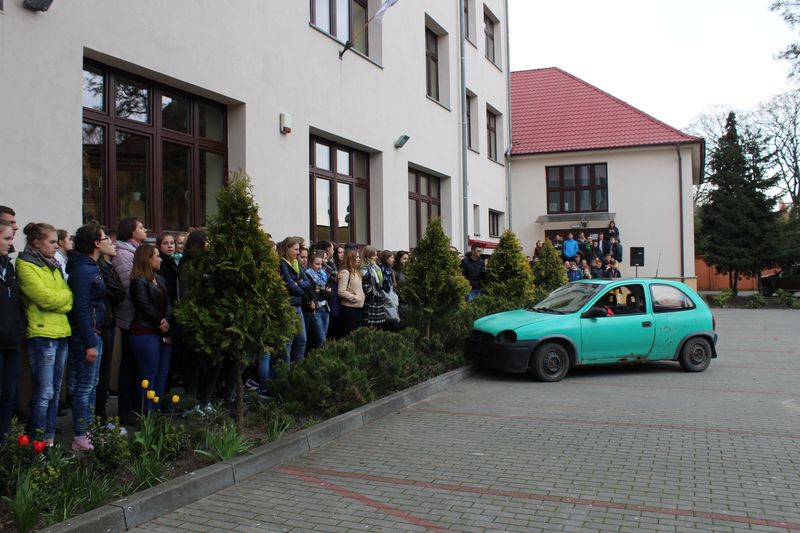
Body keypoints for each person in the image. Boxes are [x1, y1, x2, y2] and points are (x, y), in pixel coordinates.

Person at [16, 222, 73, 445]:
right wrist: (62, 300)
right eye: (52, 242)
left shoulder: (53, 264)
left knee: (55, 392)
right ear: (36, 243)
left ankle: (48, 441)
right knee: (45, 392)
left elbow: (68, 294)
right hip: (42, 335)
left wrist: (61, 300)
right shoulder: (25, 264)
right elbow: (45, 298)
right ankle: (36, 443)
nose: (56, 246)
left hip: (61, 332)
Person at [66, 224, 113, 450]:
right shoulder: (83, 271)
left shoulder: (91, 266)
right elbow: (82, 308)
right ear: (96, 244)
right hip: (86, 336)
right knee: (84, 386)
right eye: (105, 239)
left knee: (91, 385)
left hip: (95, 333)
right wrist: (90, 342)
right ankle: (80, 434)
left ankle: (90, 432)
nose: (108, 242)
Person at [112, 216, 147, 424]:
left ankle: (135, 405)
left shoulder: (135, 251)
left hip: (138, 316)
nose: (145, 230)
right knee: (128, 365)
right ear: (132, 232)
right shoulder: (124, 253)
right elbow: (130, 285)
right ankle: (125, 409)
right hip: (130, 316)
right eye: (141, 227)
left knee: (135, 364)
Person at [129, 244, 172, 414]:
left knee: (162, 373)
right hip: (145, 332)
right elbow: (144, 306)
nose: (160, 259)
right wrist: (161, 322)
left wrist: (167, 320)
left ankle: (157, 409)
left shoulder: (160, 279)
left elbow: (168, 303)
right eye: (157, 256)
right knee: (149, 373)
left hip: (162, 332)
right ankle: (147, 413)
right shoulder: (138, 281)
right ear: (147, 259)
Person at [95, 229, 125, 421]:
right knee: (100, 373)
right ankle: (99, 417)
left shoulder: (107, 265)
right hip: (103, 322)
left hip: (109, 319)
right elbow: (117, 292)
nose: (112, 244)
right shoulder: (99, 266)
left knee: (104, 373)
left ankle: (100, 416)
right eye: (107, 240)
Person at [0, 220, 24, 438]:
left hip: (12, 341)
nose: (11, 243)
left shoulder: (8, 266)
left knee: (8, 396)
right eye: (6, 238)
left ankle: (4, 443)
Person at [278, 237, 310, 363]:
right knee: (288, 343)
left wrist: (299, 284)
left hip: (298, 305)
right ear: (287, 249)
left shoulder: (296, 263)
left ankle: (298, 368)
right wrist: (301, 289)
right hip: (289, 306)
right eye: (296, 249)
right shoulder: (283, 264)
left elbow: (308, 282)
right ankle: (286, 371)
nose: (298, 252)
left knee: (302, 340)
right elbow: (291, 286)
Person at [305, 251, 333, 348]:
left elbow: (330, 294)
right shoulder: (308, 275)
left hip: (326, 308)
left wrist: (320, 291)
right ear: (310, 264)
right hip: (316, 310)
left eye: (321, 264)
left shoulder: (325, 275)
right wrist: (324, 291)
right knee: (322, 339)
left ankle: (319, 355)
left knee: (323, 336)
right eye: (317, 264)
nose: (320, 266)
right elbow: (312, 293)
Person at [337, 248, 364, 337]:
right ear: (350, 258)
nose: (358, 259)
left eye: (359, 257)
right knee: (349, 334)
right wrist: (354, 298)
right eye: (356, 257)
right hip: (349, 309)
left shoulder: (356, 272)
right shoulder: (345, 272)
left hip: (358, 308)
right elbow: (341, 291)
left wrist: (362, 296)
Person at [360, 246, 387, 329]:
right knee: (371, 329)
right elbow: (366, 288)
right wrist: (379, 295)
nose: (377, 257)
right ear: (368, 256)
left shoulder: (376, 268)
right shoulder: (364, 269)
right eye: (374, 255)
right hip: (371, 303)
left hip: (378, 302)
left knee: (379, 329)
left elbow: (380, 284)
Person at [379, 249, 400, 331]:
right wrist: (388, 298)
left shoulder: (389, 270)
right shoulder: (381, 269)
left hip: (392, 299)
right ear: (385, 258)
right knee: (390, 323)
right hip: (386, 300)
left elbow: (393, 286)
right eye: (391, 257)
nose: (393, 260)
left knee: (394, 323)